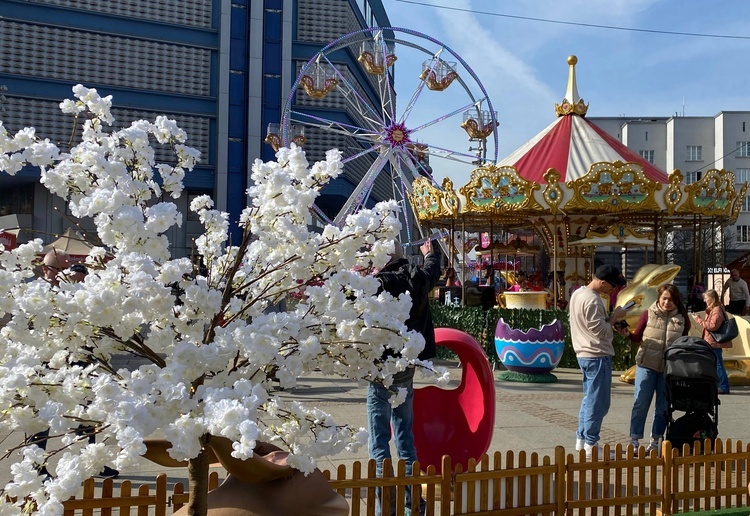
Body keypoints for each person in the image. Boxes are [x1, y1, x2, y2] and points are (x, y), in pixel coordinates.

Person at [369, 239, 441, 516]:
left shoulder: (381, 283)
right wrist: (430, 253)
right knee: (404, 438)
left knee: (379, 442)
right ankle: (414, 505)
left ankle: (385, 507)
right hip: (406, 366)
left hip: (380, 369)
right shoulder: (417, 278)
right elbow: (432, 270)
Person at [568, 264, 628, 459]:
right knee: (598, 402)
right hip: (597, 354)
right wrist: (615, 317)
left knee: (589, 398)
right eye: (612, 286)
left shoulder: (578, 294)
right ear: (602, 282)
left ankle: (582, 439)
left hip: (584, 353)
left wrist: (610, 319)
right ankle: (591, 444)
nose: (614, 290)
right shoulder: (593, 301)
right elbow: (600, 331)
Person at [624, 284, 690, 454]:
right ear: (659, 298)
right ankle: (634, 439)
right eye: (665, 298)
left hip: (668, 369)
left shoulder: (683, 318)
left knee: (663, 406)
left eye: (671, 299)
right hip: (647, 365)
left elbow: (683, 343)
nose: (667, 302)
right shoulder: (648, 314)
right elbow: (637, 337)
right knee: (640, 402)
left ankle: (655, 441)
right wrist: (626, 333)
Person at [693, 289, 732, 394]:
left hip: (714, 342)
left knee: (718, 364)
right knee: (714, 363)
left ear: (712, 298)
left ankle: (723, 386)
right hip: (711, 341)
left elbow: (712, 326)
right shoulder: (712, 310)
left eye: (706, 298)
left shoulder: (717, 310)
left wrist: (698, 320)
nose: (705, 300)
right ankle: (716, 385)